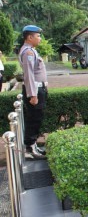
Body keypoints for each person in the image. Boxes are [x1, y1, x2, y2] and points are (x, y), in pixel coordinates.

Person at [19, 25, 47, 160]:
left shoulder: (31, 51)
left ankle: (33, 146)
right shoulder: (28, 52)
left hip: (38, 88)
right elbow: (29, 75)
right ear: (30, 37)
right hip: (34, 90)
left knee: (37, 118)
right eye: (38, 36)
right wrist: (33, 94)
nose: (40, 38)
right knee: (33, 119)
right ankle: (29, 149)